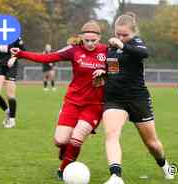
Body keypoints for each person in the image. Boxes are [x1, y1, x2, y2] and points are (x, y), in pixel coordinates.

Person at [10, 21, 108, 180]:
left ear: (100, 38)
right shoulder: (73, 50)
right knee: (60, 140)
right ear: (81, 37)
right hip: (73, 102)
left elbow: (118, 72)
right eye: (87, 40)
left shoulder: (108, 51)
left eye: (94, 40)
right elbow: (47, 57)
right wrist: (21, 53)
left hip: (95, 105)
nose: (90, 43)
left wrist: (105, 72)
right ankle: (66, 150)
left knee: (76, 138)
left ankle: (62, 170)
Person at [103, 13, 174, 184]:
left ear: (133, 33)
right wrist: (102, 74)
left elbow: (144, 54)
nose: (120, 37)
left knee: (152, 144)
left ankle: (165, 166)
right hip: (114, 99)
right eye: (118, 34)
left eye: (125, 34)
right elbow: (113, 70)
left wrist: (122, 44)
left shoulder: (136, 43)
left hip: (137, 99)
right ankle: (115, 175)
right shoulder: (111, 47)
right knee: (111, 134)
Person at [0, 37, 25, 128]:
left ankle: (12, 120)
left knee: (10, 95)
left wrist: (14, 58)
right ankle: (8, 112)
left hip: (11, 66)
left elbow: (23, 50)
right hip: (0, 66)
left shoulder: (16, 37)